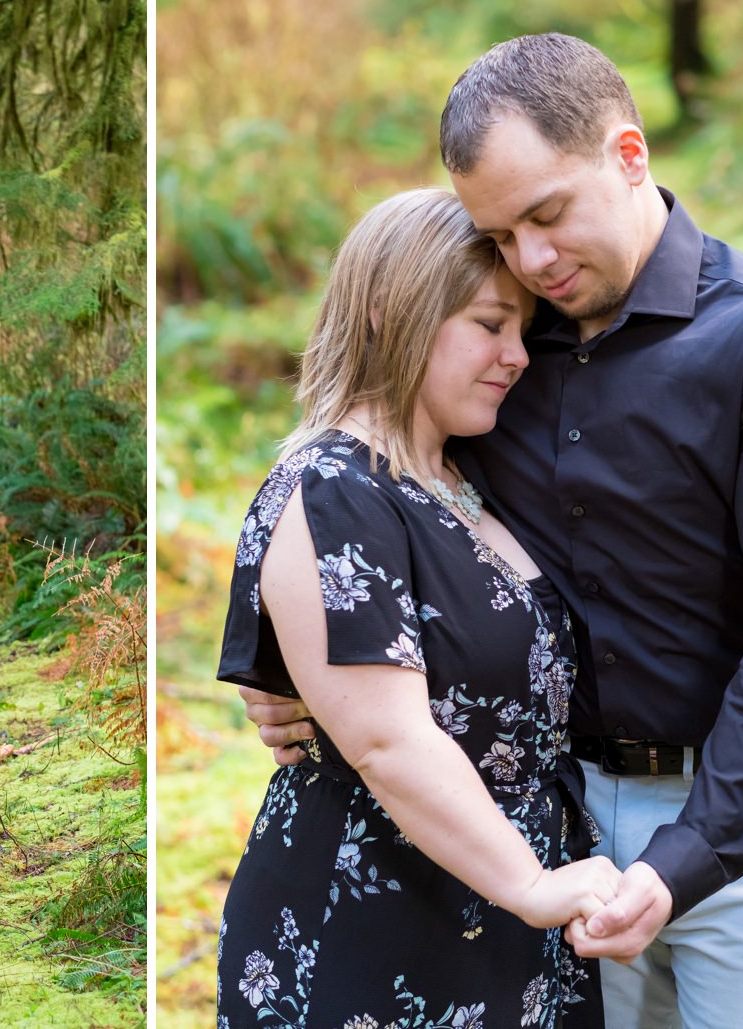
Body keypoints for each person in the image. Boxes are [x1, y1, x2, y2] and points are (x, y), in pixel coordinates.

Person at [242, 33, 743, 1029]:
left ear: (630, 156)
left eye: (547, 214)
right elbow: (382, 519)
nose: (532, 260)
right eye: (501, 236)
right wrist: (284, 671)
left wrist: (687, 857)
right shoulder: (501, 344)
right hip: (550, 819)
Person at [217, 187, 620, 1028]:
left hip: (506, 920)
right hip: (380, 922)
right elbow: (384, 738)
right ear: (387, 313)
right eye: (488, 324)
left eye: (522, 330)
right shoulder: (334, 485)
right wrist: (534, 885)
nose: (517, 355)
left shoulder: (461, 478)